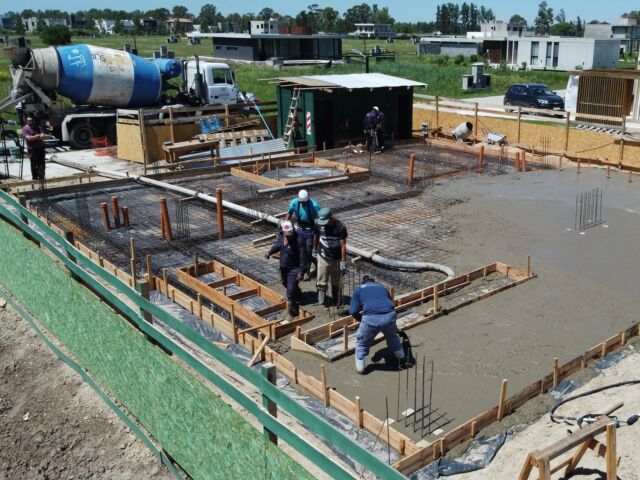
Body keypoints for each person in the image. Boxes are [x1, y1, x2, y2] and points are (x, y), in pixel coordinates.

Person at [350, 275, 405, 374]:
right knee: (392, 336)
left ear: (363, 283)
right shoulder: (382, 288)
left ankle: (360, 368)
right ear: (373, 282)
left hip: (371, 319)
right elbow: (390, 303)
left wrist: (361, 319)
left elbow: (353, 311)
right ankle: (401, 357)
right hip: (390, 316)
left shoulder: (358, 290)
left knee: (362, 344)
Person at [265, 220, 307, 320]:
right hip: (284, 267)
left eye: (290, 234)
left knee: (290, 290)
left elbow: (303, 257)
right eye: (286, 234)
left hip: (294, 268)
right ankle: (298, 293)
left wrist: (302, 272)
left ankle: (290, 313)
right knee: (285, 283)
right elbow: (277, 245)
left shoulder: (299, 239)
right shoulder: (281, 236)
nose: (288, 236)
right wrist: (270, 252)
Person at [312, 207, 348, 307]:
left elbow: (343, 245)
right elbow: (315, 235)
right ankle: (321, 302)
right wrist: (314, 249)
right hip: (323, 256)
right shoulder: (318, 224)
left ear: (331, 218)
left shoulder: (340, 227)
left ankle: (336, 300)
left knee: (336, 280)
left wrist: (343, 261)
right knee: (321, 279)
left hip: (337, 258)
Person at [284, 189, 320, 280]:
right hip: (300, 229)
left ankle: (306, 271)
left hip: (310, 230)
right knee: (300, 251)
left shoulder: (314, 205)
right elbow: (289, 214)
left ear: (308, 199)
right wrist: (285, 225)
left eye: (304, 202)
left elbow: (319, 221)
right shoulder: (295, 203)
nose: (303, 203)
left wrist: (315, 246)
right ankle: (300, 270)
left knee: (308, 251)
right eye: (301, 202)